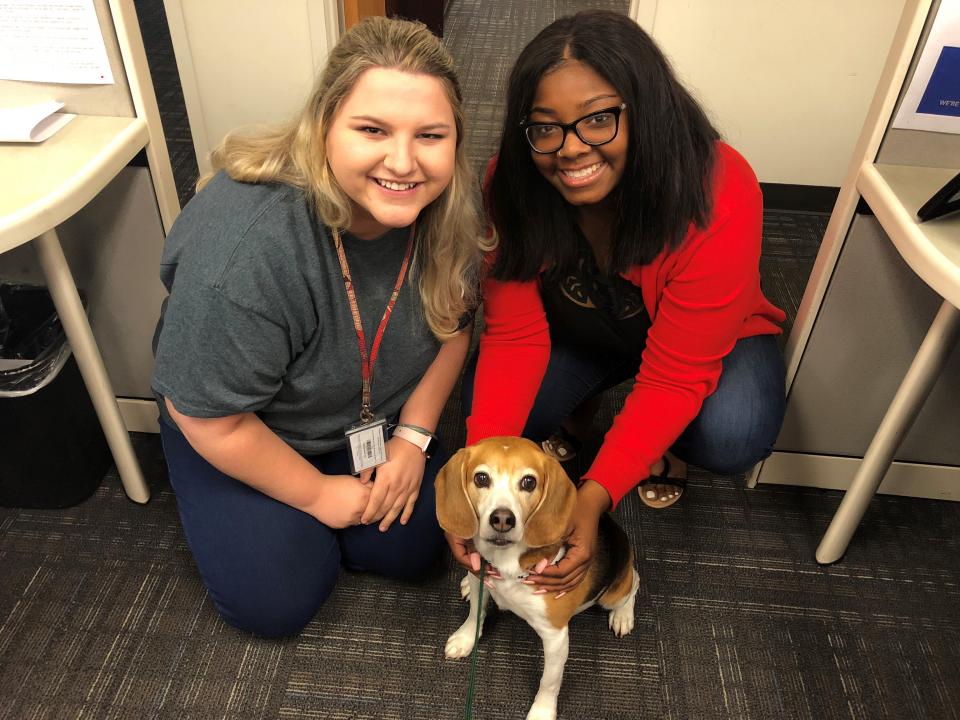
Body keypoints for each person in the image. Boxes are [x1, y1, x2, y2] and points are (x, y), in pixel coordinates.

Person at [152, 17, 485, 637]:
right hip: (242, 422)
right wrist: (315, 496)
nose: (405, 162)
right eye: (372, 129)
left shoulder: (448, 208)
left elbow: (456, 328)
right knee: (277, 604)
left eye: (431, 135)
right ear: (324, 125)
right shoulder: (248, 251)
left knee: (413, 550)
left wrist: (412, 439)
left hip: (367, 413)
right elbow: (209, 416)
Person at [449, 11, 786, 592]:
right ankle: (589, 408)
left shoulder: (721, 190)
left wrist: (594, 495)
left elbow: (677, 375)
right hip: (586, 324)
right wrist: (484, 473)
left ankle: (662, 445)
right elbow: (512, 334)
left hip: (699, 340)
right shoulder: (512, 181)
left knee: (735, 432)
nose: (571, 151)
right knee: (499, 426)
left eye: (599, 119)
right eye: (546, 128)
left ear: (646, 110)